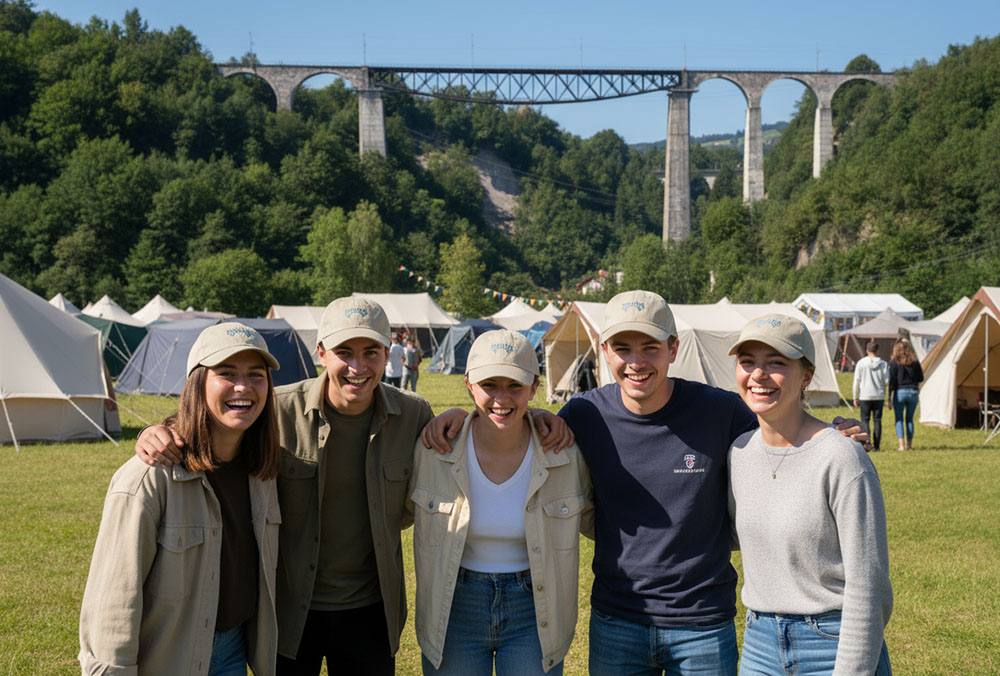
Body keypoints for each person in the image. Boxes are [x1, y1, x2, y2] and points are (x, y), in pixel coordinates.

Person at [424, 290, 868, 676]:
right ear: (604, 351)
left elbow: (780, 422)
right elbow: (511, 418)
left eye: (649, 348)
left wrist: (832, 430)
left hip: (703, 624)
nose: (636, 362)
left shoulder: (719, 411)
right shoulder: (583, 416)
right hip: (617, 619)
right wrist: (465, 417)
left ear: (673, 349)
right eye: (623, 348)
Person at [134, 299, 571, 675]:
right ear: (321, 353)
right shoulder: (277, 411)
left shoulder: (413, 416)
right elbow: (217, 427)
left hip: (370, 611)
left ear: (386, 355)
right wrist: (163, 429)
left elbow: (478, 423)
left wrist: (529, 417)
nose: (358, 367)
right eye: (345, 352)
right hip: (289, 609)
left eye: (371, 352)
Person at [80, 322, 283, 675]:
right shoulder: (149, 477)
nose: (243, 387)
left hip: (233, 649)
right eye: (226, 373)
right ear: (196, 384)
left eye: (256, 375)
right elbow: (113, 601)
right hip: (167, 658)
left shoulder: (263, 470)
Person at [410, 330, 592, 675]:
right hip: (455, 607)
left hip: (535, 610)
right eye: (489, 384)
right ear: (468, 385)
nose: (501, 398)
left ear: (534, 387)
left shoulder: (564, 455)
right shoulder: (435, 450)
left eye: (515, 386)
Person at [728, 314, 893, 675]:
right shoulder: (738, 453)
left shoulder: (842, 457)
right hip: (760, 645)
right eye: (748, 362)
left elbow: (869, 586)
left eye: (776, 363)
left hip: (831, 643)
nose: (758, 374)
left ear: (806, 375)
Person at [853, 341, 889, 451]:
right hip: (878, 396)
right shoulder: (883, 364)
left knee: (865, 421)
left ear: (867, 350)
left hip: (865, 396)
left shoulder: (861, 363)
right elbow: (887, 381)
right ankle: (877, 446)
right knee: (877, 421)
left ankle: (866, 443)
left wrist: (855, 396)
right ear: (877, 351)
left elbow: (856, 381)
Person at [888, 338, 923, 450]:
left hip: (900, 392)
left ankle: (901, 445)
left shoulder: (894, 362)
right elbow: (921, 377)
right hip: (913, 392)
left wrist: (889, 397)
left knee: (899, 419)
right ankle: (909, 444)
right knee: (909, 419)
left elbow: (892, 380)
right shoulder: (915, 362)